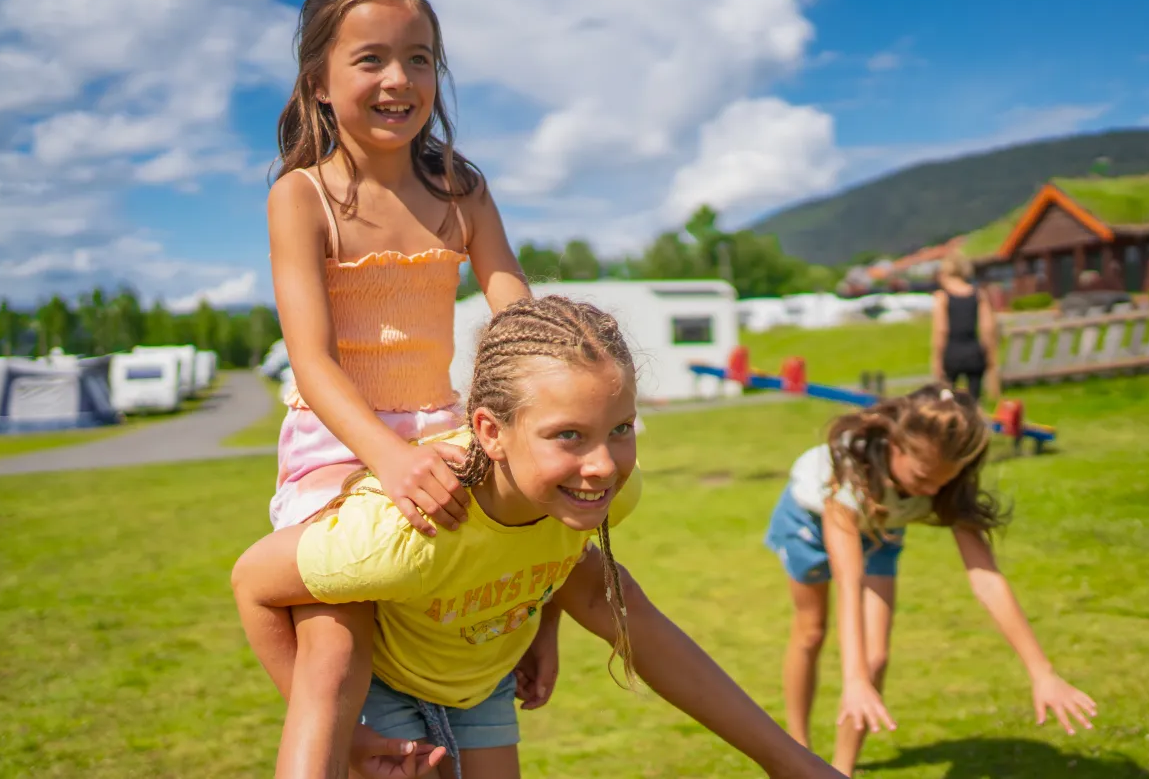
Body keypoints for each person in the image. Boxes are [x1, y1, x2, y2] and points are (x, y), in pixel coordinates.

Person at [232, 295, 850, 779]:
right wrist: (350, 735)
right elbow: (254, 583)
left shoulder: (596, 496)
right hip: (386, 690)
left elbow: (610, 604)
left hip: (483, 680)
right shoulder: (407, 532)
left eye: (621, 428)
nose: (604, 464)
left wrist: (787, 762)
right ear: (489, 432)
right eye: (569, 435)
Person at [264, 0, 534, 774]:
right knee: (336, 650)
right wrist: (388, 459)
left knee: (553, 559)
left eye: (419, 59)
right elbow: (311, 361)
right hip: (338, 445)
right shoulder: (301, 195)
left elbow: (511, 304)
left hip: (443, 428)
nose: (398, 80)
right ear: (318, 81)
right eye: (371, 59)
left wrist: (538, 386)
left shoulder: (460, 188)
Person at [763, 386, 1097, 776]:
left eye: (944, 481)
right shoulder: (848, 473)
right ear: (895, 446)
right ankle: (796, 750)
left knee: (877, 658)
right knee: (811, 631)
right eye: (923, 477)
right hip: (810, 522)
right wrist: (852, 679)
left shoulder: (946, 483)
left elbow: (987, 580)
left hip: (882, 528)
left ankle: (841, 771)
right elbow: (848, 582)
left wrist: (1042, 671)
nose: (932, 491)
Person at [930, 250, 998, 403]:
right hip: (974, 351)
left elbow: (941, 330)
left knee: (946, 401)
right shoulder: (979, 295)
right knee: (975, 400)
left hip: (952, 352)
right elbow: (987, 328)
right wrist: (990, 355)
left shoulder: (942, 297)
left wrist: (937, 358)